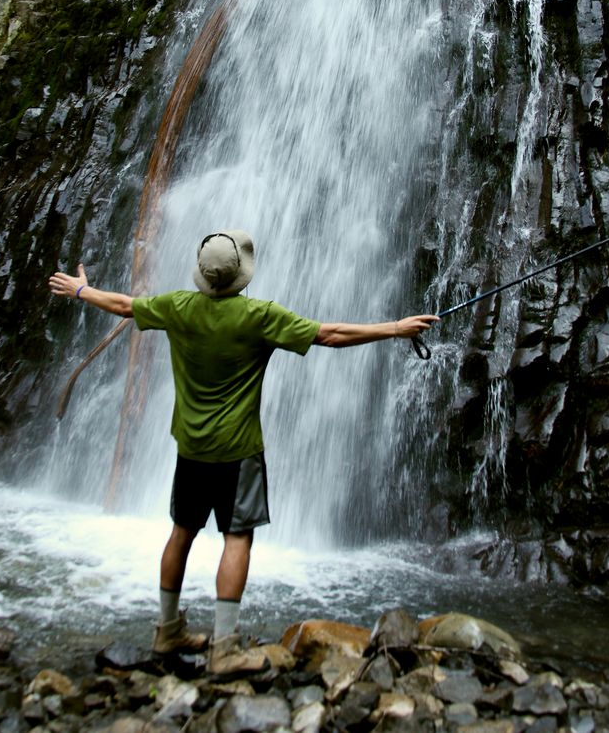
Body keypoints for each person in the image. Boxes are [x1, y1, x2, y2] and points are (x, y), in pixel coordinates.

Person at [48, 229, 438, 668]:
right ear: (239, 276)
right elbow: (328, 335)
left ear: (202, 275)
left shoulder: (177, 307)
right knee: (236, 538)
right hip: (238, 451)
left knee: (181, 532)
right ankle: (225, 646)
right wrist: (395, 329)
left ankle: (167, 631)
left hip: (191, 447)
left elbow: (123, 305)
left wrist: (81, 290)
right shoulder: (258, 317)